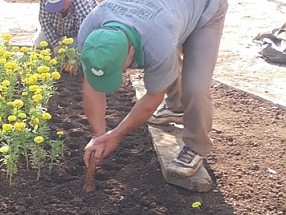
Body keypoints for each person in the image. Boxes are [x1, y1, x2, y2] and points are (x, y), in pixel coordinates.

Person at [77, 0, 228, 178]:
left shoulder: (159, 42)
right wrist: (98, 136)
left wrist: (117, 134)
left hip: (204, 9)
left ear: (130, 54)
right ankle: (175, 107)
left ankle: (196, 146)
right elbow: (92, 87)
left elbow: (152, 98)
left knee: (195, 87)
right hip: (167, 13)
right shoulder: (90, 33)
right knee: (164, 62)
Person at [34, 0, 98, 52]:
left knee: (72, 50)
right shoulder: (44, 1)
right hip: (55, 27)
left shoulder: (82, 4)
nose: (58, 9)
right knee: (39, 43)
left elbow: (85, 33)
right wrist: (56, 44)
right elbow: (44, 21)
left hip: (76, 31)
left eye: (60, 4)